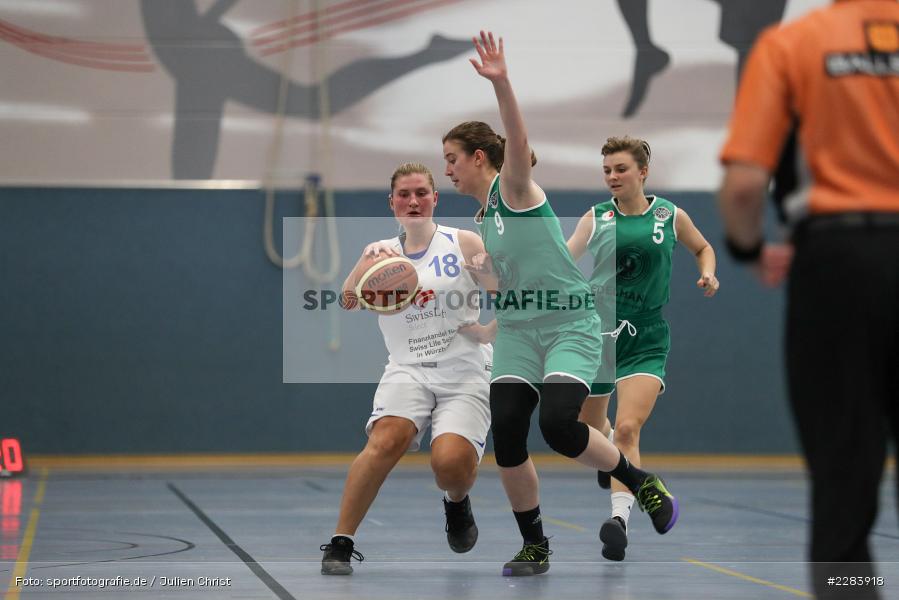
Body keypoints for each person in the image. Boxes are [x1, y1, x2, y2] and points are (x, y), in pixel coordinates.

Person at [443, 31, 679, 577]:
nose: (447, 169)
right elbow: (514, 287)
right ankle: (536, 544)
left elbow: (518, 141)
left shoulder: (517, 190)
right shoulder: (483, 221)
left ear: (480, 158)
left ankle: (642, 483)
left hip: (570, 324)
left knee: (558, 425)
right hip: (521, 333)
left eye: (452, 159)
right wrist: (488, 287)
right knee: (506, 432)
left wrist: (502, 83)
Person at [718, 1, 899, 598]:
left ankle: (848, 586)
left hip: (839, 266)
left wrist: (746, 250)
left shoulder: (792, 44)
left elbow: (745, 185)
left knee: (843, 472)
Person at [319, 162, 494, 575]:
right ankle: (341, 541)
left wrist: (488, 325)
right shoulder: (381, 253)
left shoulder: (463, 241)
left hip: (464, 370)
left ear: (435, 198)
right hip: (407, 368)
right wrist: (362, 267)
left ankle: (456, 502)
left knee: (449, 465)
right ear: (392, 202)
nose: (412, 201)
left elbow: (507, 294)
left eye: (421, 193)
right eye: (404, 194)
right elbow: (347, 301)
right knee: (384, 441)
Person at [566, 136, 719, 561]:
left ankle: (618, 521)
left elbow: (703, 247)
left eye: (620, 169)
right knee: (590, 428)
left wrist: (708, 273)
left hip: (646, 338)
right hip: (596, 335)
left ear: (642, 172)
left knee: (630, 427)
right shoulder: (596, 218)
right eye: (607, 171)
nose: (612, 177)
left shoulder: (669, 214)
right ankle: (611, 450)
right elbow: (562, 261)